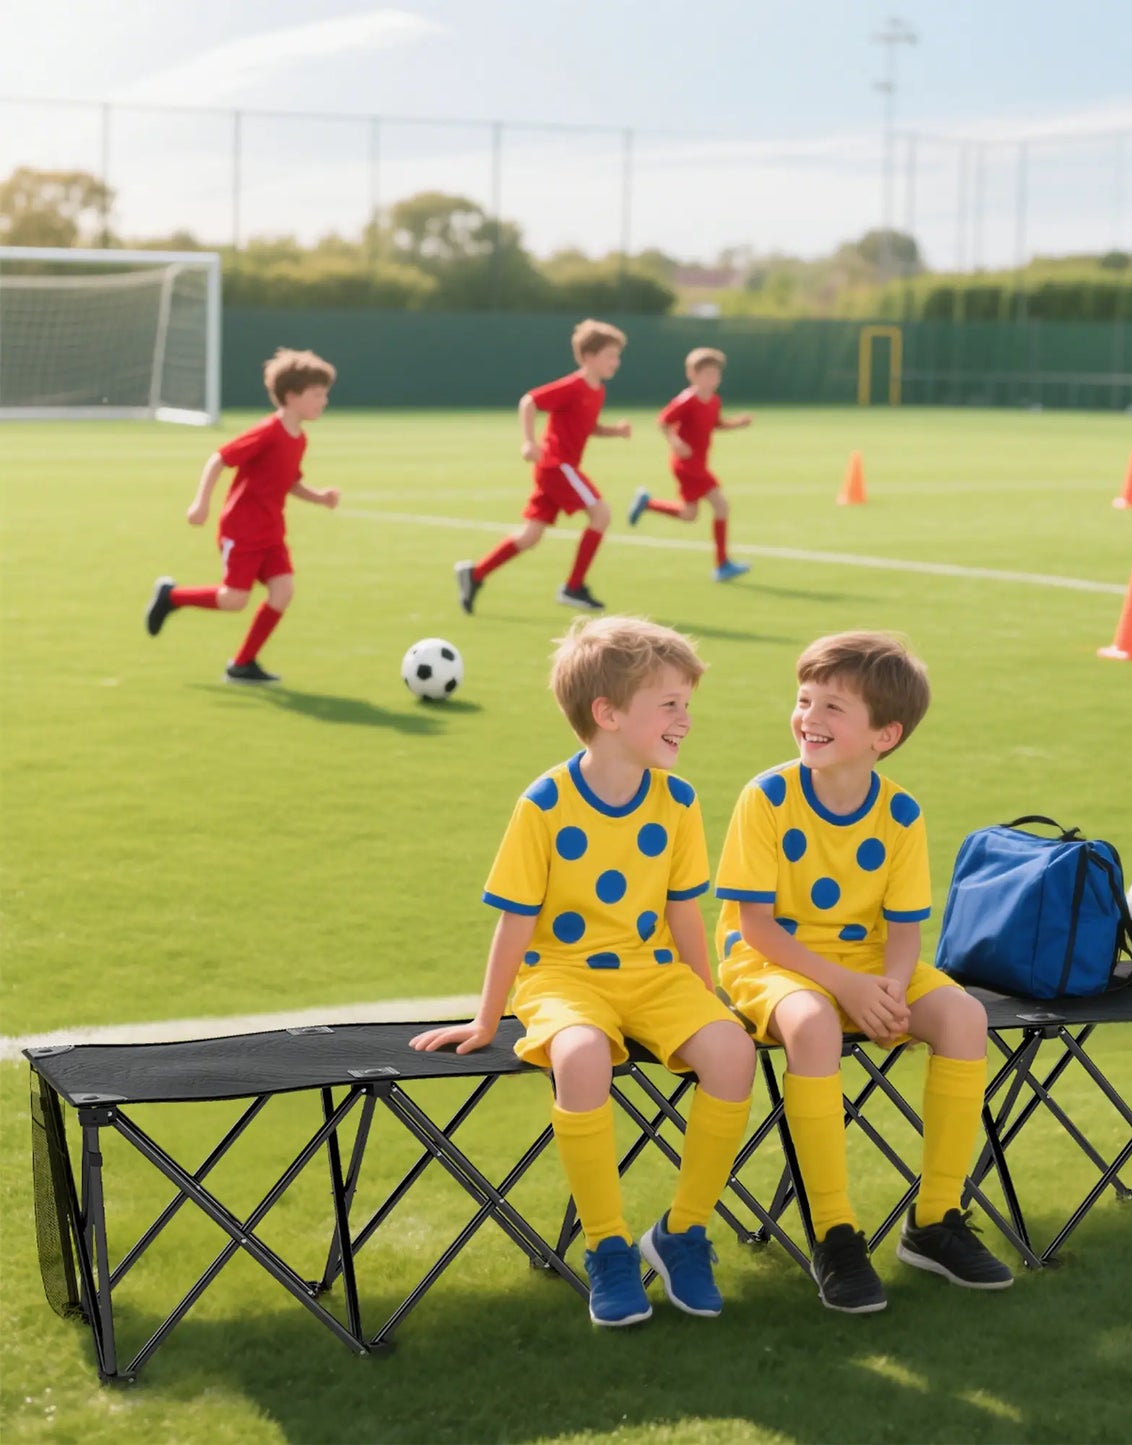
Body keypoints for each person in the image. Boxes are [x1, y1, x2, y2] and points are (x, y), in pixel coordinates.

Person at [411, 616, 756, 1327]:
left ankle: (681, 1232)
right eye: (669, 705)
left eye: (686, 704)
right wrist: (486, 1017)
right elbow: (515, 918)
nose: (685, 720)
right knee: (581, 1054)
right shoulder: (542, 803)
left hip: (654, 975)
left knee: (731, 1051)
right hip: (563, 979)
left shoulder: (680, 800)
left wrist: (709, 994)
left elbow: (686, 910)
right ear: (607, 713)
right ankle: (605, 1247)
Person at [713, 631, 1014, 1313]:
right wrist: (849, 988)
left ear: (885, 734)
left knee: (964, 1017)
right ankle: (834, 1230)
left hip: (870, 964)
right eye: (803, 699)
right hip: (769, 962)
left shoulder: (900, 811)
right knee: (814, 1022)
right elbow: (753, 925)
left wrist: (889, 987)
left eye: (832, 707)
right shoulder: (765, 797)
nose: (807, 717)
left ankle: (935, 1219)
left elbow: (904, 927)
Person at [145, 348, 338, 684]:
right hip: (243, 530)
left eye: (325, 394)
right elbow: (219, 458)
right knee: (234, 600)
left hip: (271, 532)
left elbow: (290, 481)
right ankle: (172, 597)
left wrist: (318, 497)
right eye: (317, 395)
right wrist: (200, 503)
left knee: (283, 591)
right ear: (291, 396)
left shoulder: (299, 438)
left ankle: (242, 664)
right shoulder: (267, 432)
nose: (324, 401)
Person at [456, 319, 631, 616]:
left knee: (530, 536)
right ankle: (573, 587)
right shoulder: (573, 386)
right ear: (589, 357)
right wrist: (528, 442)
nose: (617, 362)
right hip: (556, 466)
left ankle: (475, 575)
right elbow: (529, 401)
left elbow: (586, 427)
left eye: (617, 356)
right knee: (601, 514)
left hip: (559, 470)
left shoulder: (597, 391)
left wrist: (614, 431)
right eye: (610, 356)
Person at [626, 347, 752, 582]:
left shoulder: (714, 401)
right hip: (687, 465)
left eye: (716, 374)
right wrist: (675, 442)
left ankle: (648, 503)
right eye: (707, 374)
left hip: (697, 464)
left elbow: (717, 424)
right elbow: (662, 421)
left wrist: (737, 424)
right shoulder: (687, 400)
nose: (712, 379)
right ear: (692, 375)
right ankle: (722, 564)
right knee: (721, 505)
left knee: (688, 514)